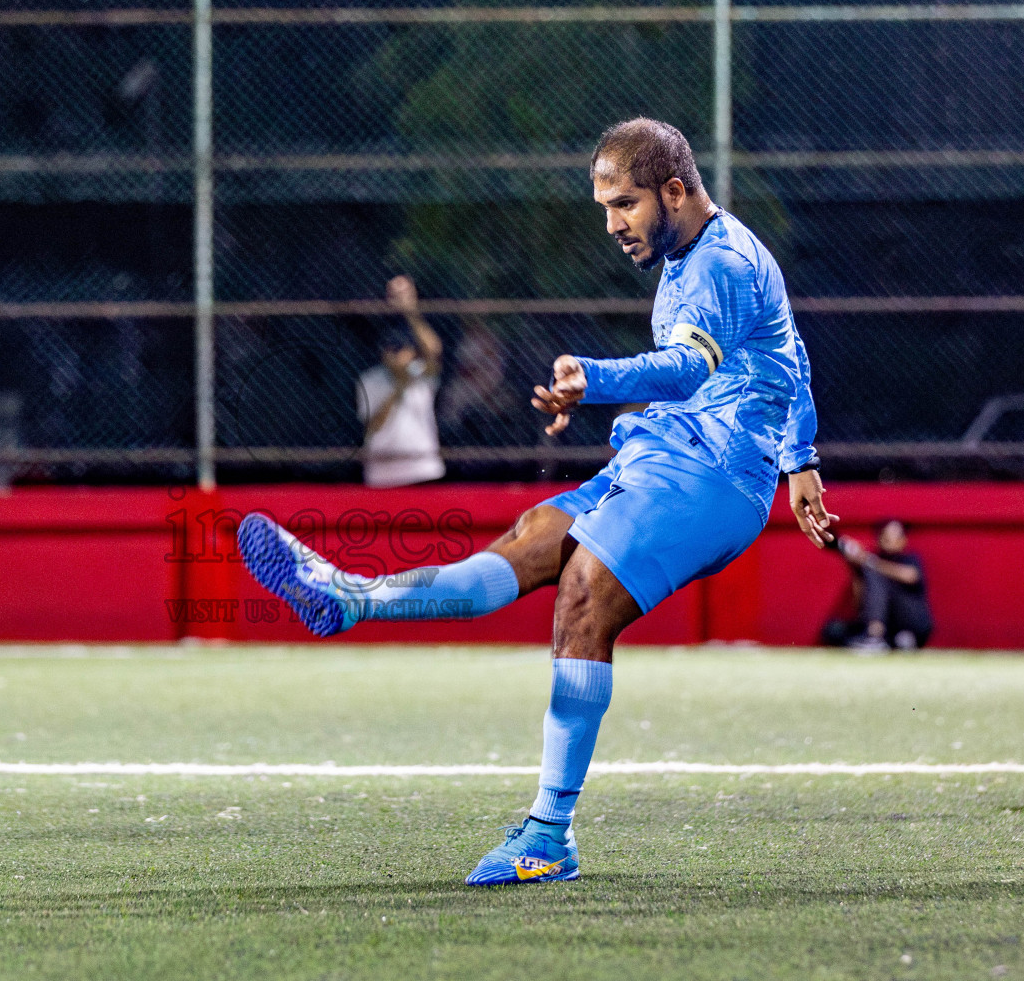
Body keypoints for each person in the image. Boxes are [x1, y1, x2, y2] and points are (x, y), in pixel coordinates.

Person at [237, 118, 832, 886]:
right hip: (664, 453)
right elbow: (789, 348)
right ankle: (352, 599)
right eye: (605, 208)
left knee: (584, 591)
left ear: (675, 190)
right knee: (531, 539)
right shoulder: (701, 252)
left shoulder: (719, 262)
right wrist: (804, 459)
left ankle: (549, 835)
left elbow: (689, 368)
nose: (613, 225)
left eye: (625, 205)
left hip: (714, 477)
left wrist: (595, 377)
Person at [355, 276, 446, 488]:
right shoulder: (371, 380)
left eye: (404, 350)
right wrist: (399, 386)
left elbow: (434, 351)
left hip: (422, 469)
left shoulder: (421, 374)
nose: (399, 356)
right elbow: (373, 425)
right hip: (382, 474)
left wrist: (410, 310)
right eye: (393, 350)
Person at [822, 520, 932, 651]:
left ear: (903, 539)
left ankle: (876, 636)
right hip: (887, 626)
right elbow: (859, 603)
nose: (889, 539)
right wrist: (854, 567)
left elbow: (910, 576)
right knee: (834, 630)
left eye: (895, 535)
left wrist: (869, 561)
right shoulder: (872, 563)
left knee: (874, 573)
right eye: (885, 535)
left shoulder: (909, 559)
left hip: (910, 622)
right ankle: (878, 639)